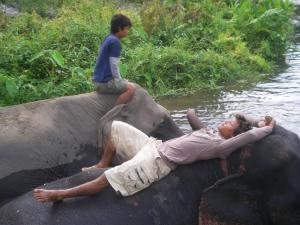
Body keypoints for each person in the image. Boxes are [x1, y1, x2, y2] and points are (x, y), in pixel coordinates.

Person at [34, 112, 276, 202]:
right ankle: (101, 162)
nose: (224, 121)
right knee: (117, 127)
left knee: (107, 180)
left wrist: (264, 128)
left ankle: (59, 195)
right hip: (153, 146)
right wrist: (257, 119)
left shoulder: (222, 145)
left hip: (156, 163)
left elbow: (248, 137)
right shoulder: (211, 131)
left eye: (230, 123)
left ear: (235, 133)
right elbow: (192, 115)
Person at [92, 14, 135, 105]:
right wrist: (119, 81)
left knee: (125, 83)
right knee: (131, 88)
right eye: (127, 29)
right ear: (120, 28)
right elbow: (114, 65)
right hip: (105, 83)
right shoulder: (115, 42)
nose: (127, 32)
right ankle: (115, 111)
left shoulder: (108, 38)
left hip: (97, 81)